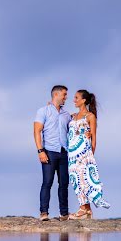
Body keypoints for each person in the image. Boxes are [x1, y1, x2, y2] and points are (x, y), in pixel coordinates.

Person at [68, 90, 110, 219]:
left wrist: (90, 156)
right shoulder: (73, 116)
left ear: (83, 100)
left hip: (84, 154)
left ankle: (83, 209)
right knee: (75, 179)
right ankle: (87, 210)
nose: (74, 100)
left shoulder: (90, 116)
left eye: (76, 98)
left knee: (84, 179)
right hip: (72, 154)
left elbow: (94, 138)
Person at [34, 85, 71, 221]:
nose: (66, 97)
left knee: (64, 184)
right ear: (56, 95)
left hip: (63, 152)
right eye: (64, 95)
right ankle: (44, 213)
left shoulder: (66, 115)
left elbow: (73, 131)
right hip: (49, 151)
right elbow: (37, 131)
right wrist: (40, 151)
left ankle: (64, 214)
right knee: (47, 182)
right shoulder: (43, 111)